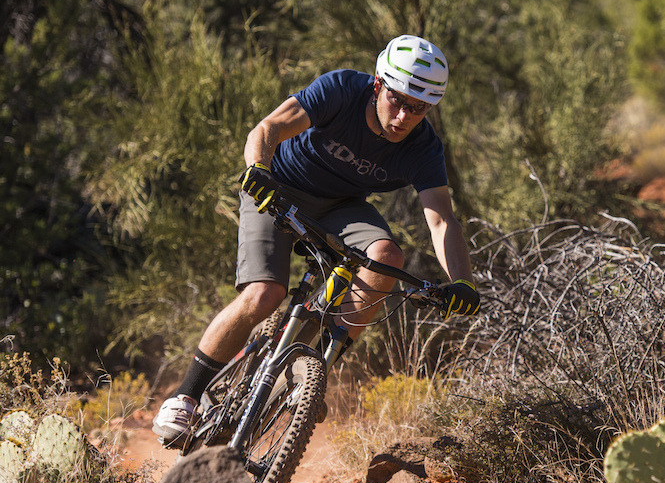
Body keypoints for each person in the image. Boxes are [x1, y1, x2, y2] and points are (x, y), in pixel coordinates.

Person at [152, 35, 480, 448]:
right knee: (264, 294)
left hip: (341, 206)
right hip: (278, 188)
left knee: (387, 257)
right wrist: (258, 171)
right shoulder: (341, 89)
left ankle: (313, 373)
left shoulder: (424, 148)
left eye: (419, 108)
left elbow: (441, 220)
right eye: (397, 100)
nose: (403, 116)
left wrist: (463, 282)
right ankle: (186, 396)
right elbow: (267, 128)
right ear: (378, 84)